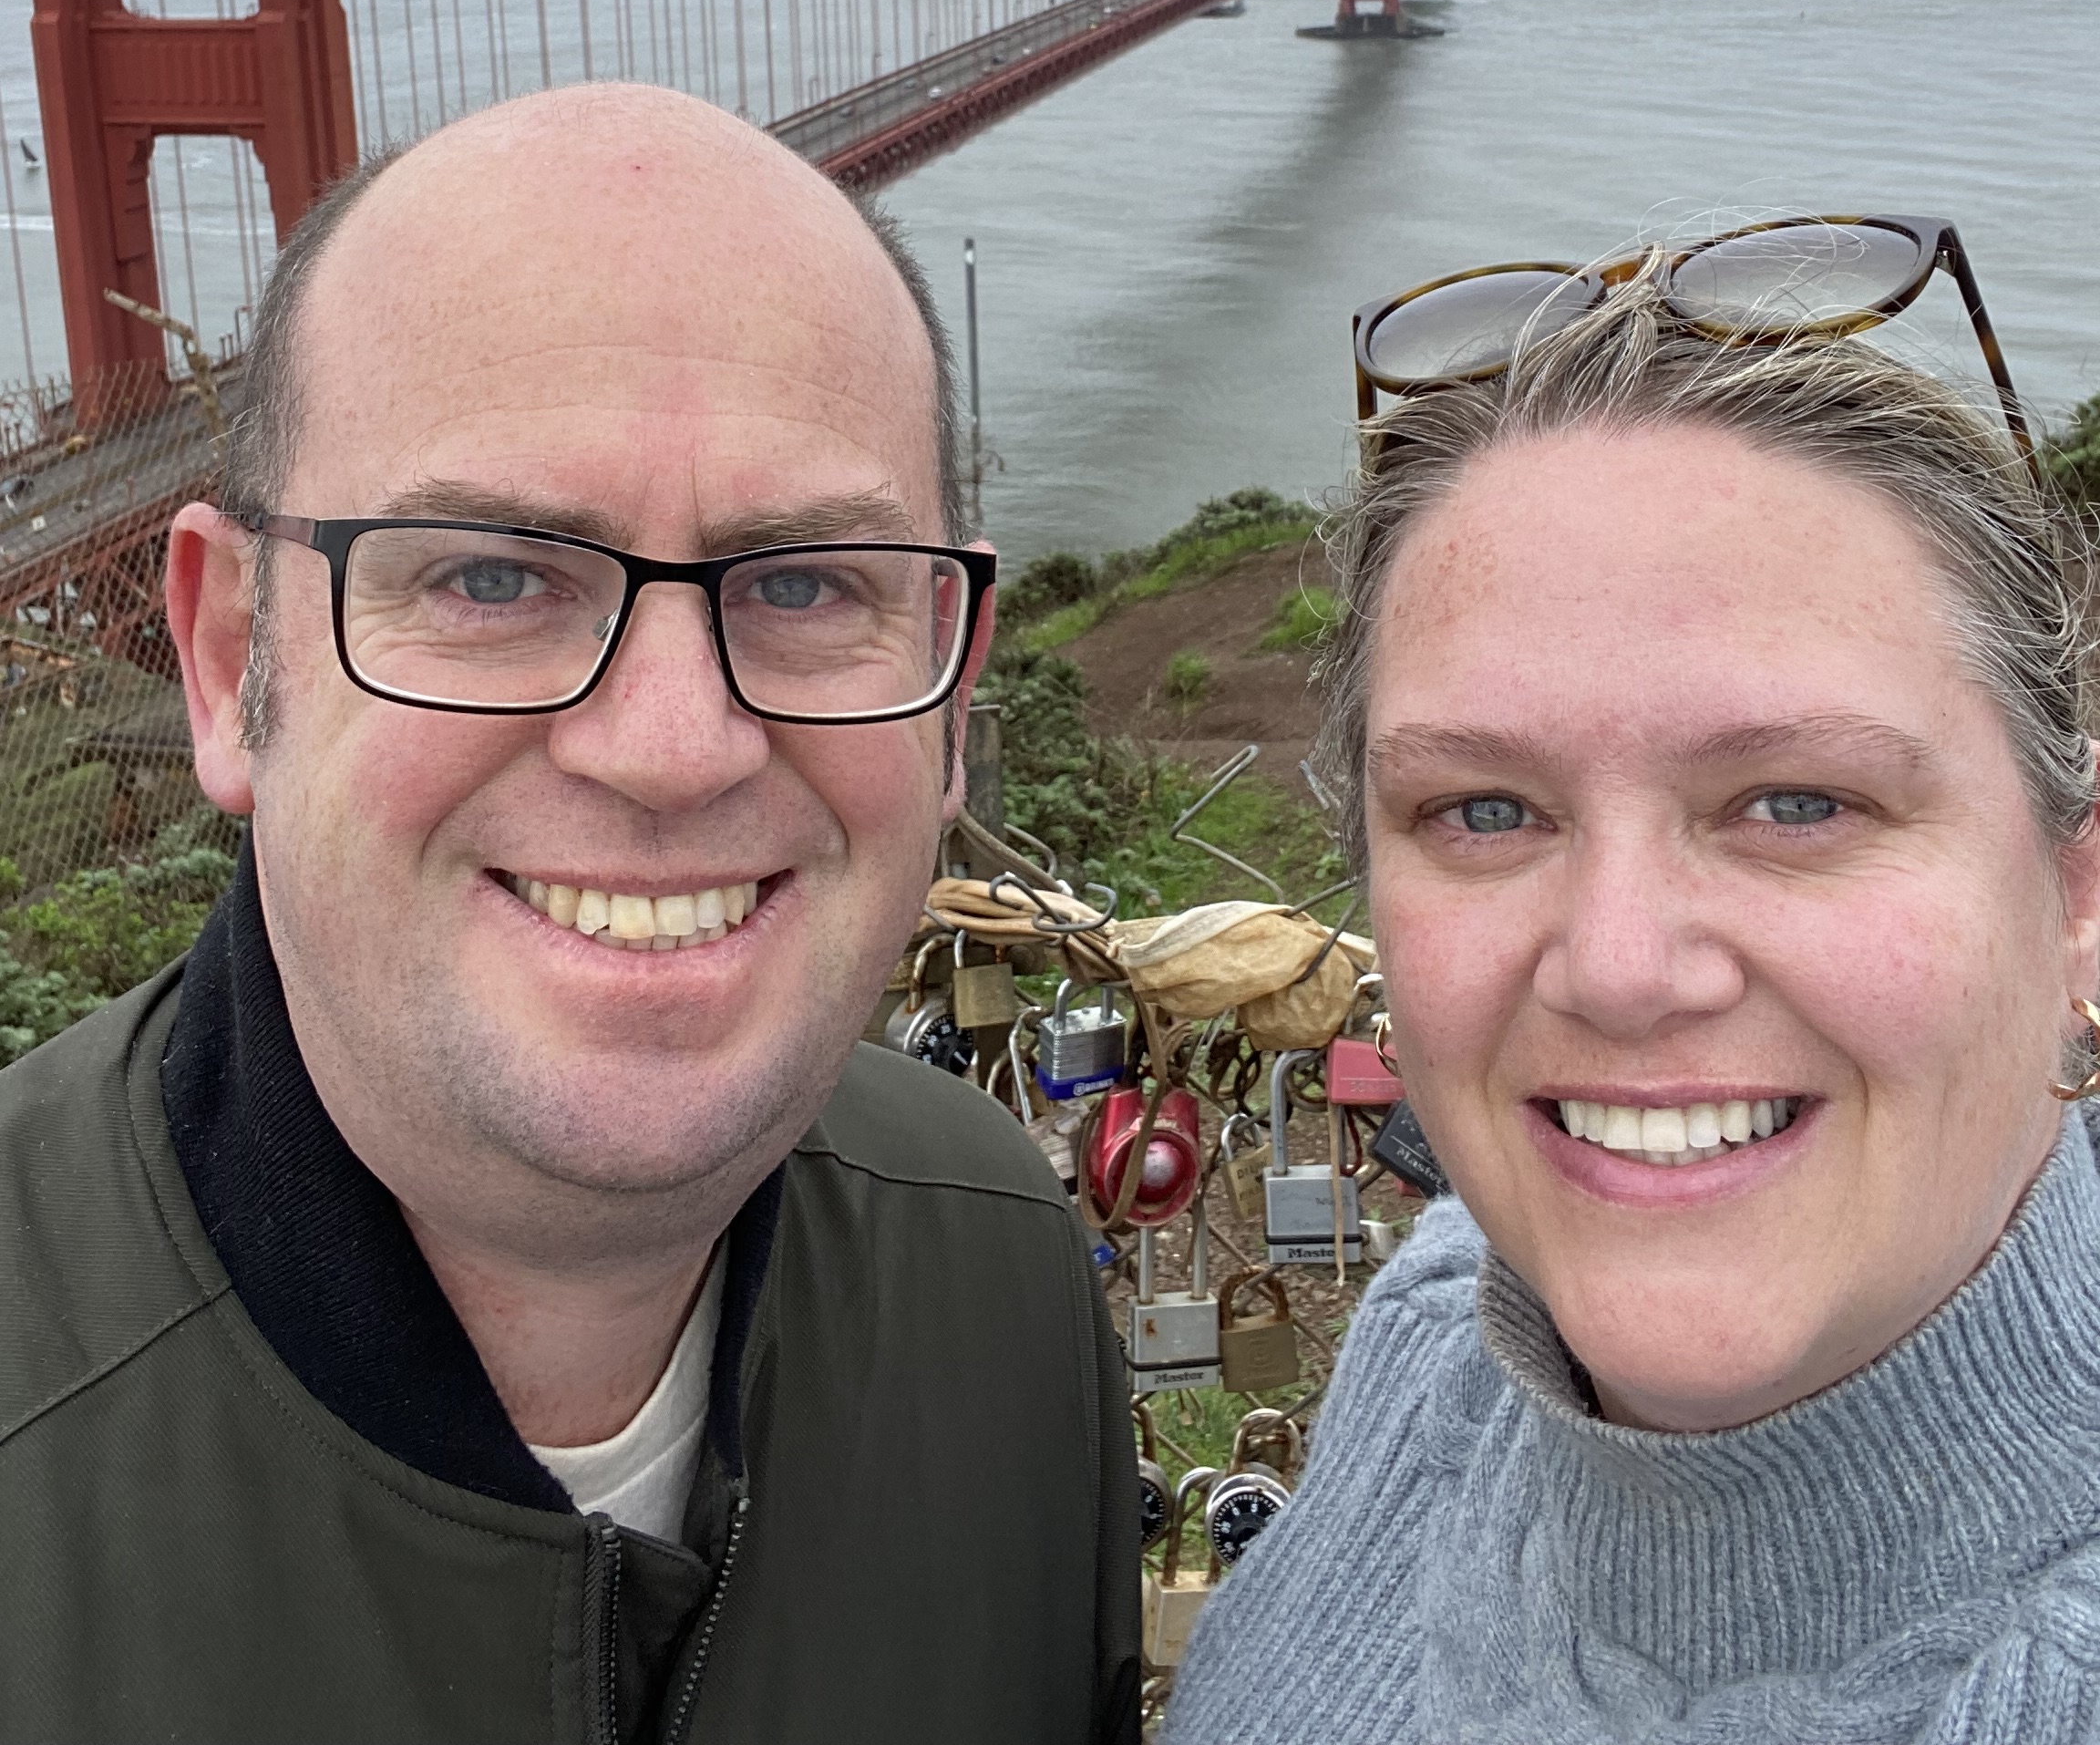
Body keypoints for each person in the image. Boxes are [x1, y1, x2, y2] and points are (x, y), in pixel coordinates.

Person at [0, 84, 1139, 1745]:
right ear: (232, 658)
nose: (675, 747)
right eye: (488, 576)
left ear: (954, 699)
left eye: (809, 583)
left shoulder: (1004, 1267)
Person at [1167, 222, 2100, 1745]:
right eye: (1484, 811)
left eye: (1798, 803)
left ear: (2075, 893)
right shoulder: (1434, 1345)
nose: (1617, 968)